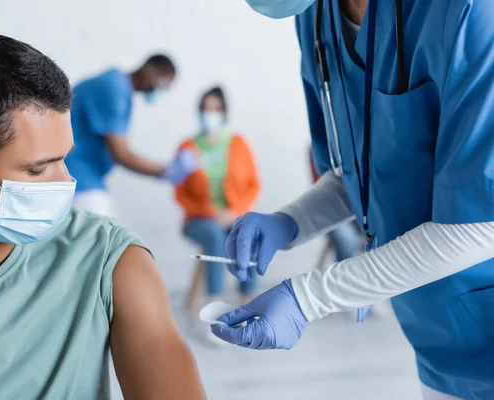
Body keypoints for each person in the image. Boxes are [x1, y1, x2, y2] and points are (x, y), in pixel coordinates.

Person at [0, 34, 205, 400]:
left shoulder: (106, 261)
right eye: (38, 170)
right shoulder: (111, 88)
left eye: (64, 158)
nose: (66, 182)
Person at [211, 1, 494, 399]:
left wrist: (309, 297)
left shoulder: (468, 12)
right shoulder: (316, 18)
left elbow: (481, 222)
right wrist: (291, 221)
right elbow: (362, 171)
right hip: (438, 341)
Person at [66, 55, 199, 217]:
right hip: (75, 175)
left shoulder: (121, 91)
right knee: (105, 235)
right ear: (149, 72)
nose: (161, 90)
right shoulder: (113, 88)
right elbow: (122, 154)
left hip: (87, 177)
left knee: (111, 234)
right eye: (162, 83)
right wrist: (166, 170)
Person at [176, 87, 261, 306]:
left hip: (233, 215)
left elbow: (254, 184)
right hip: (198, 220)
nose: (210, 113)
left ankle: (248, 299)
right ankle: (215, 305)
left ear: (224, 112)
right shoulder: (188, 147)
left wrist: (234, 213)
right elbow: (180, 193)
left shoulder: (239, 144)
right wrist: (211, 213)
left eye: (215, 108)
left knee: (247, 230)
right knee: (215, 236)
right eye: (205, 108)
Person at [309, 147, 361, 264]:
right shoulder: (316, 147)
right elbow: (323, 185)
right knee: (346, 240)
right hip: (331, 210)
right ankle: (344, 279)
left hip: (363, 212)